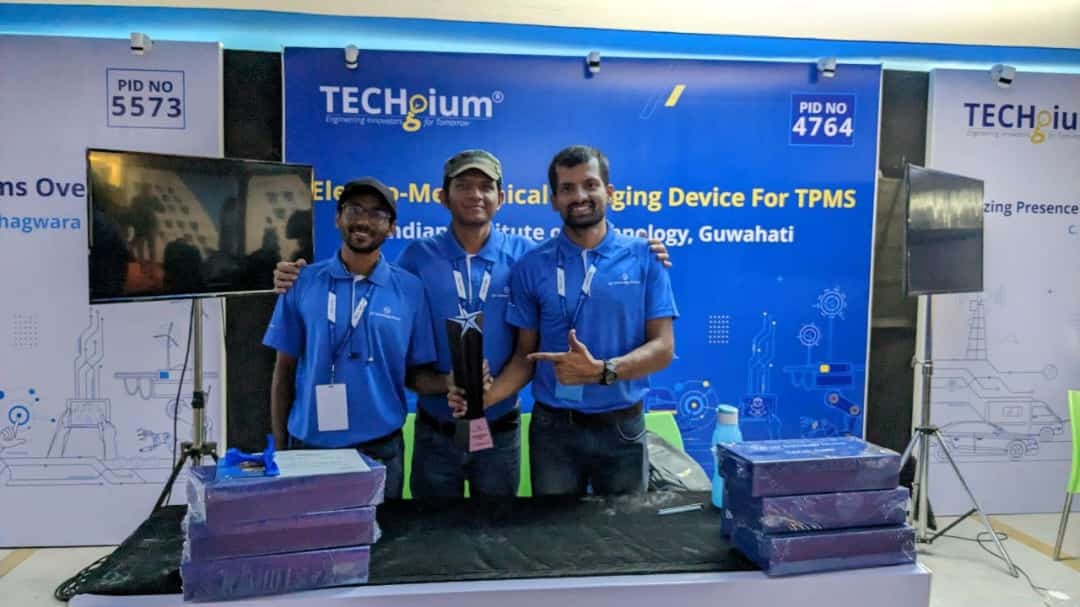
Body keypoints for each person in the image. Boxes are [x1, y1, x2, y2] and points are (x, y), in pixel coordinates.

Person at [272, 151, 673, 498]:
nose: (475, 195)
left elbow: (526, 351)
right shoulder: (415, 260)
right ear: (443, 197)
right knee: (431, 536)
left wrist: (645, 250)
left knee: (499, 537)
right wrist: (298, 276)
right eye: (463, 185)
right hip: (435, 432)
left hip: (500, 430)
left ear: (501, 198)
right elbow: (370, 289)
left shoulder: (527, 258)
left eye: (485, 186)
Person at [480, 144, 678, 496]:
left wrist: (603, 370)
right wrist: (484, 398)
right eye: (567, 188)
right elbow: (525, 356)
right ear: (554, 200)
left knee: (624, 530)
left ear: (609, 192)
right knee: (554, 530)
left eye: (590, 185)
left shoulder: (645, 257)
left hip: (622, 426)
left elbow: (663, 348)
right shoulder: (532, 266)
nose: (580, 196)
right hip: (554, 431)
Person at [263, 177, 437, 499]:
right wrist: (280, 450)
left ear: (392, 228)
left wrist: (457, 383)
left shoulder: (411, 290)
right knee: (309, 530)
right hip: (309, 447)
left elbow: (415, 373)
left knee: (382, 532)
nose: (363, 221)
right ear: (337, 217)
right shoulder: (301, 282)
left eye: (377, 214)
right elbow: (283, 371)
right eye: (354, 209)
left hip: (381, 448)